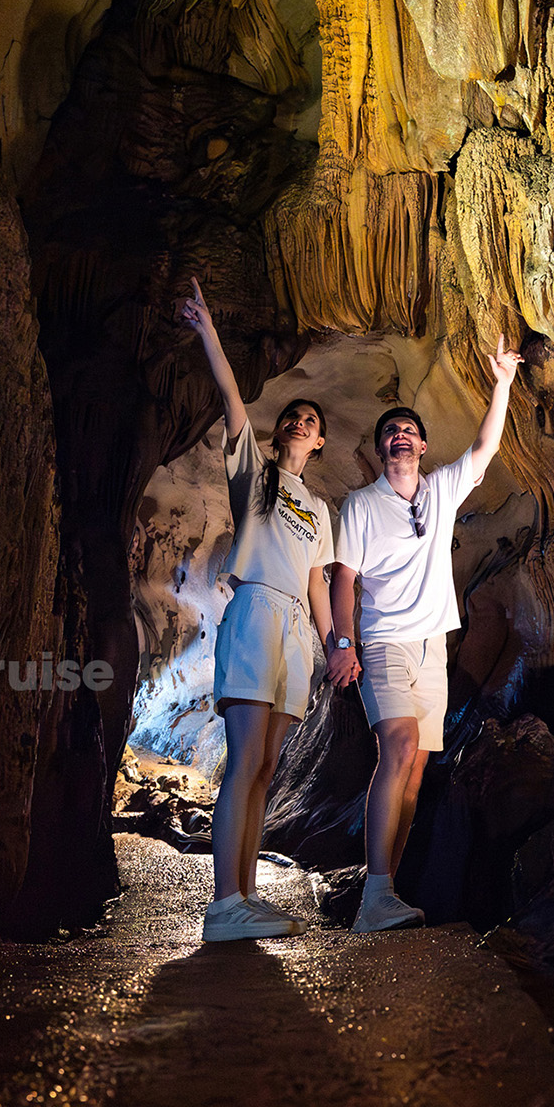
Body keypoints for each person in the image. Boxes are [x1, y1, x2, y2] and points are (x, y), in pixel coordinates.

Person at [327, 346, 522, 933]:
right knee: (400, 748)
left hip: (433, 645)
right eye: (392, 432)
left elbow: (485, 449)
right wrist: (343, 642)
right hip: (384, 640)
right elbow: (345, 578)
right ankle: (375, 892)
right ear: (381, 448)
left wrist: (503, 382)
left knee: (415, 771)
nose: (402, 437)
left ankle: (387, 888)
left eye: (410, 431)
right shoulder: (361, 505)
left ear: (422, 446)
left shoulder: (438, 492)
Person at [182, 276, 338, 944]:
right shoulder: (257, 473)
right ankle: (224, 903)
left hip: (297, 631)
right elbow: (229, 397)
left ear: (322, 442)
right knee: (246, 760)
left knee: (268, 769)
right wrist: (207, 331)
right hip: (253, 613)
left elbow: (318, 582)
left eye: (312, 422)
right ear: (281, 432)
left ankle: (243, 895)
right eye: (294, 417)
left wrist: (336, 643)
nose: (302, 423)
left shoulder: (319, 509)